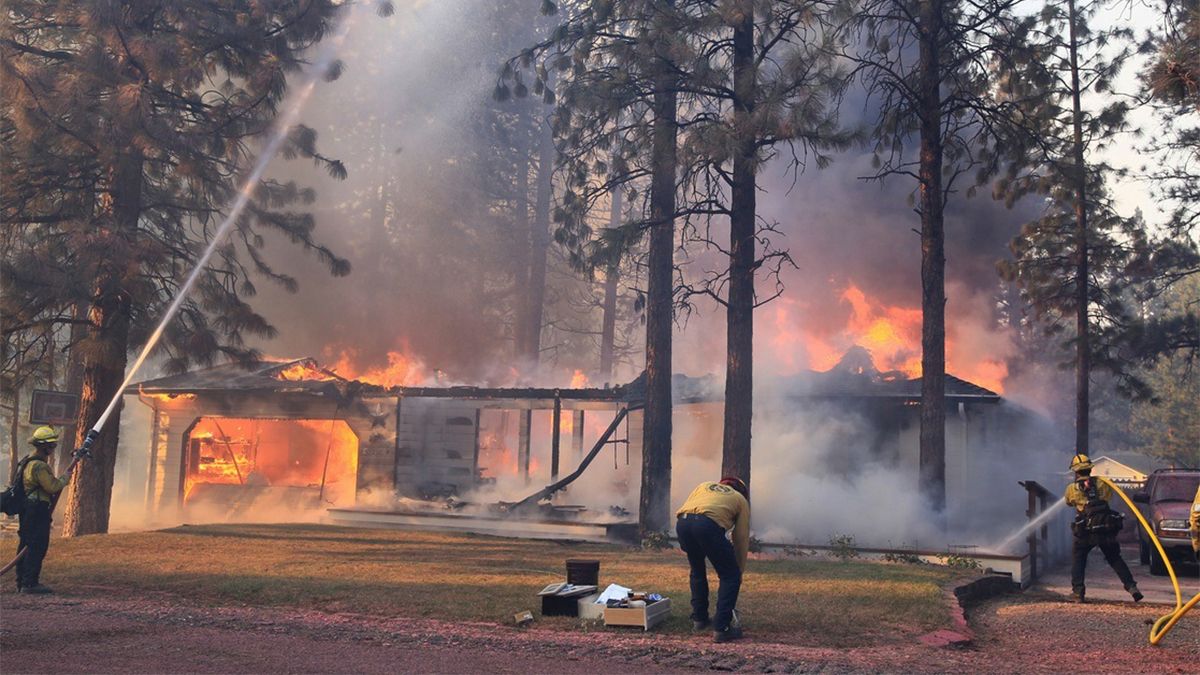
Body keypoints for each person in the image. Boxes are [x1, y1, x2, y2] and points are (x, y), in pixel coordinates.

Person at [675, 477, 751, 643]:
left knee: (697, 570)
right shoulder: (740, 500)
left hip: (683, 523)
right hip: (708, 525)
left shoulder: (704, 485)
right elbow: (741, 536)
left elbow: (689, 506)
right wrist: (738, 569)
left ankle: (699, 620)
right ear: (742, 491)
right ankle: (722, 628)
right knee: (729, 576)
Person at [1063, 454, 1141, 603]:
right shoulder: (1103, 484)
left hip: (1085, 531)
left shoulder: (1071, 489)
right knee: (1115, 558)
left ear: (1076, 471)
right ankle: (1132, 588)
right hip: (1105, 528)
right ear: (1090, 469)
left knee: (1078, 558)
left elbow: (1069, 502)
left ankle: (1078, 593)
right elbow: (1109, 497)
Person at [15, 426, 73, 594]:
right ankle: (30, 584)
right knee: (37, 545)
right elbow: (52, 487)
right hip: (37, 510)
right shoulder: (39, 466)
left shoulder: (27, 461)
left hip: (27, 509)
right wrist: (66, 478)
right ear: (44, 446)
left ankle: (22, 582)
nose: (53, 449)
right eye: (52, 445)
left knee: (25, 544)